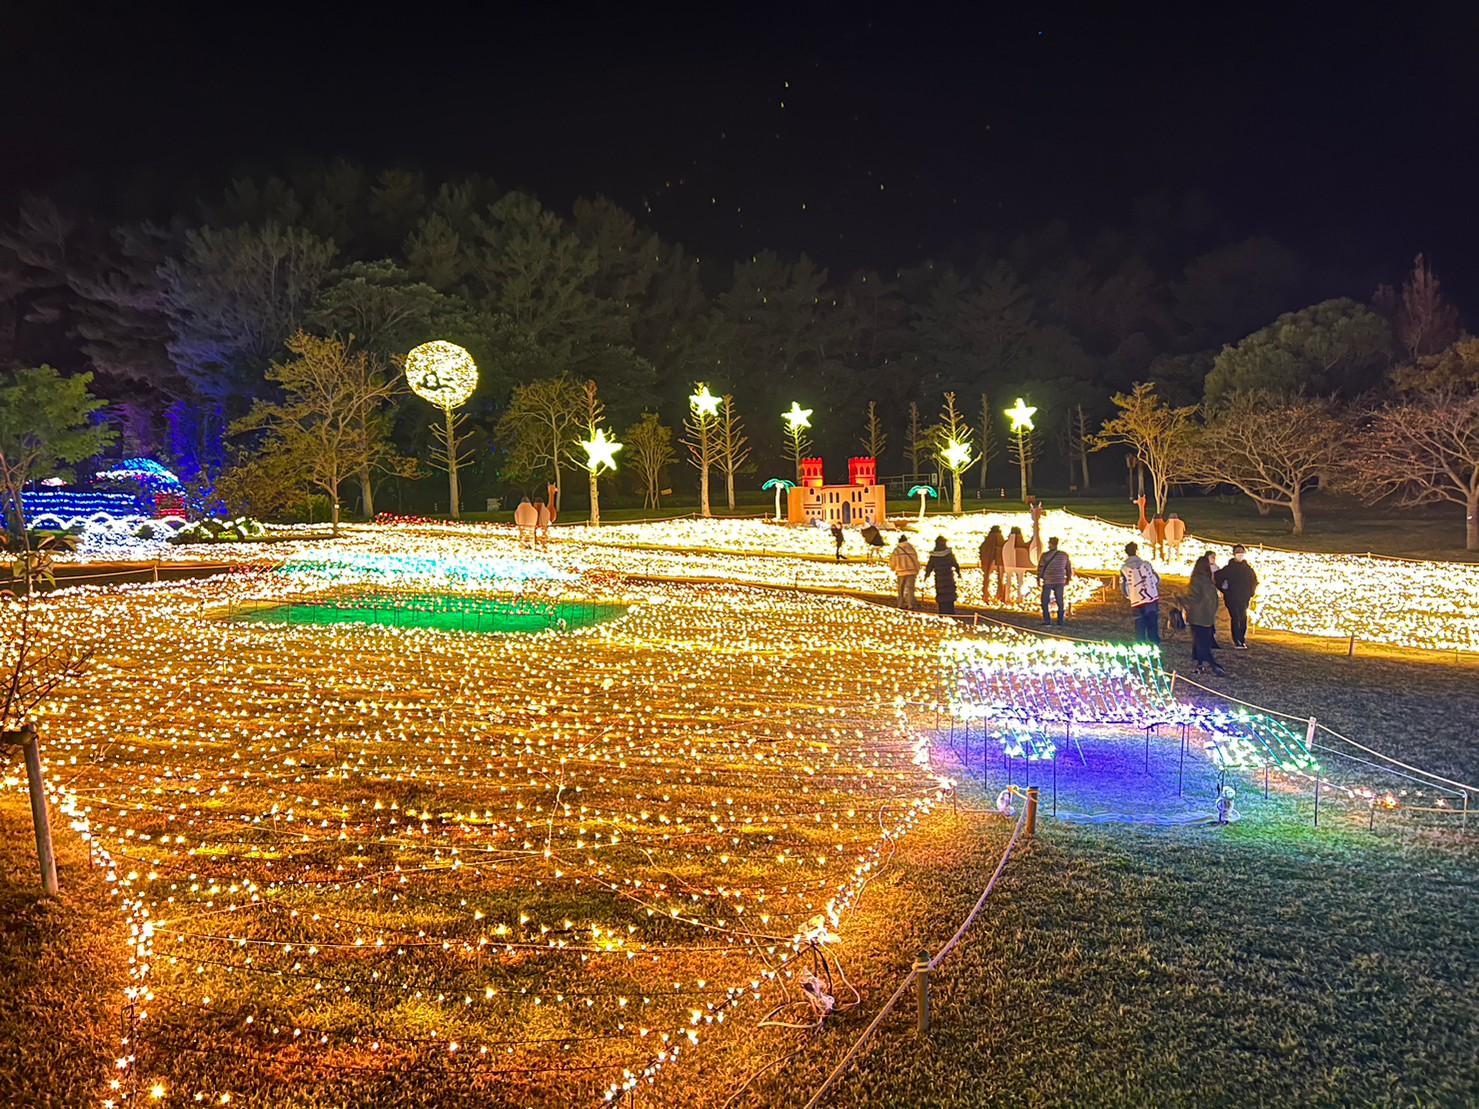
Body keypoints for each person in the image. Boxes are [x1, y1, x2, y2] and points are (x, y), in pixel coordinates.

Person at [1184, 552, 1226, 676]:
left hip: (1197, 616)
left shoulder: (1197, 580)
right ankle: (1200, 664)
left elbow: (1194, 597)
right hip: (1207, 616)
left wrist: (1180, 599)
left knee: (1200, 641)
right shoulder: (1209, 581)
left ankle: (1213, 665)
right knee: (1201, 641)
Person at [1214, 544, 1258, 649]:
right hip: (1232, 598)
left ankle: (1241, 639)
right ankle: (1237, 640)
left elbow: (1254, 581)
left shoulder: (1248, 569)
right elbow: (1218, 577)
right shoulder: (1229, 568)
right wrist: (1224, 590)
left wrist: (1251, 592)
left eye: (1242, 552)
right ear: (1234, 554)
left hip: (1244, 598)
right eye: (1238, 552)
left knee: (1243, 617)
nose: (1240, 554)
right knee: (1235, 617)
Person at [1119, 541, 1161, 644]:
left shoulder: (1124, 569)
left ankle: (1141, 649)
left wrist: (1129, 595)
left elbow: (1123, 587)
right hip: (1151, 598)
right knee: (1153, 625)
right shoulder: (1146, 565)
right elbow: (1156, 579)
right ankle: (1155, 647)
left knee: (1140, 626)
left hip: (1136, 601)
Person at [1036, 536, 1073, 626]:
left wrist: (1038, 578)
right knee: (1060, 600)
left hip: (1048, 580)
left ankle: (1047, 620)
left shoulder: (1045, 555)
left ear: (1050, 544)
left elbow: (1040, 568)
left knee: (1044, 601)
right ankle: (1060, 620)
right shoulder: (1064, 555)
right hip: (1060, 581)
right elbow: (1068, 568)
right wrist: (1068, 578)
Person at [922, 536, 961, 616]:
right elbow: (955, 563)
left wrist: (926, 576)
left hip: (939, 578)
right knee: (950, 595)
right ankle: (951, 611)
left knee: (941, 595)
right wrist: (958, 573)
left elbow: (929, 566)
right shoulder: (948, 554)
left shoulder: (934, 555)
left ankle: (942, 612)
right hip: (948, 577)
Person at [889, 534, 920, 610]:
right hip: (912, 571)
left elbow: (892, 561)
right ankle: (910, 604)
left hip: (901, 571)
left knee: (901, 588)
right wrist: (917, 569)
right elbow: (916, 559)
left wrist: (893, 568)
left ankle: (900, 603)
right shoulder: (911, 548)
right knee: (910, 588)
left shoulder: (897, 550)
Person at [979, 525, 1006, 604]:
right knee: (1000, 579)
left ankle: (985, 595)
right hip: (999, 562)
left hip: (989, 562)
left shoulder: (988, 540)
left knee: (987, 578)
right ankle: (1000, 595)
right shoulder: (1000, 538)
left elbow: (983, 549)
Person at [1006, 526, 1033, 603]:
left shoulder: (1007, 544)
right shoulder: (1021, 543)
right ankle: (1019, 598)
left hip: (1009, 565)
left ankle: (1007, 597)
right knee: (1020, 582)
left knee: (1009, 581)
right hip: (1020, 566)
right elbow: (1027, 546)